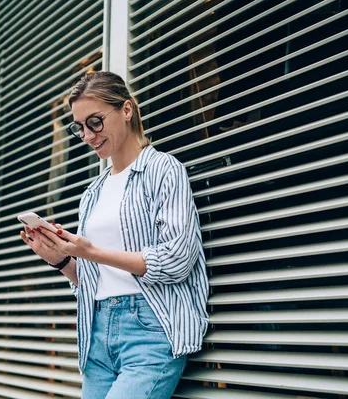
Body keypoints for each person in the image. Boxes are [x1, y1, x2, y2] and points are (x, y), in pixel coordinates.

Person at [20, 71, 209, 399]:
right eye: (79, 128)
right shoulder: (92, 193)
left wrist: (92, 252)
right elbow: (93, 276)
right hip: (97, 333)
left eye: (94, 121)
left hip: (150, 330)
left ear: (126, 110)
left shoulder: (163, 170)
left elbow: (178, 259)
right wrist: (61, 260)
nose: (88, 136)